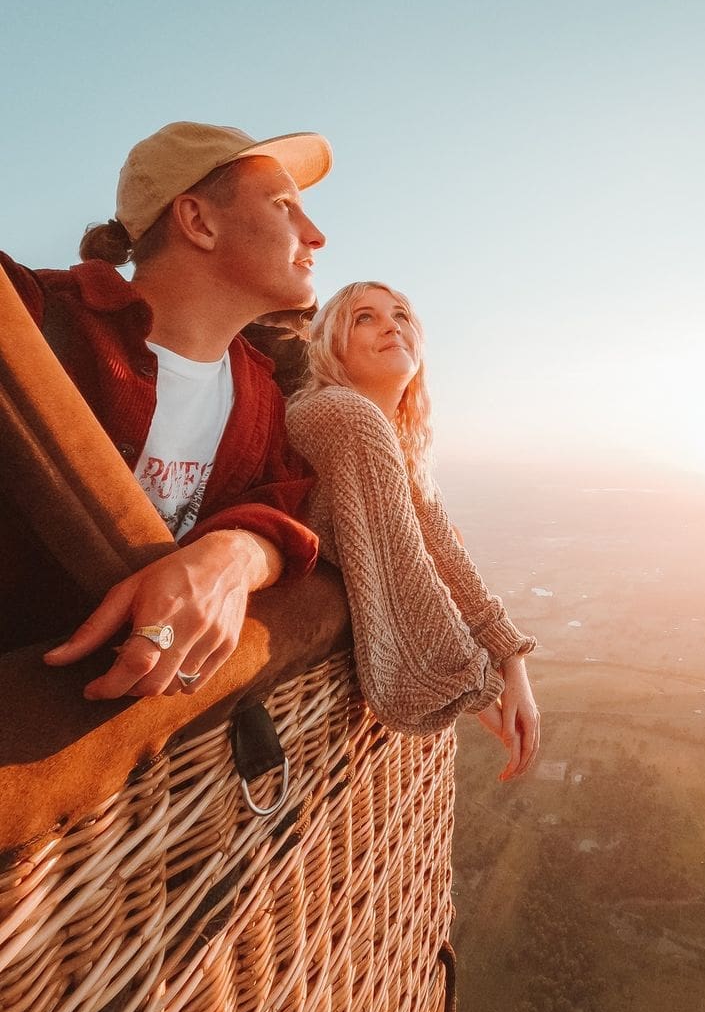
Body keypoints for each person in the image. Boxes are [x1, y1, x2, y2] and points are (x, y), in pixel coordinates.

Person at [0, 121, 331, 699]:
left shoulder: (262, 395)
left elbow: (284, 506)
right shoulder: (30, 317)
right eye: (284, 205)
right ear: (199, 222)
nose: (316, 234)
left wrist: (236, 554)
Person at [286, 282, 541, 780]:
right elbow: (402, 562)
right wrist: (478, 689)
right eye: (364, 317)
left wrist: (513, 661)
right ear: (331, 344)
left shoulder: (393, 436)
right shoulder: (340, 413)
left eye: (400, 314)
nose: (391, 325)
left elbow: (442, 549)